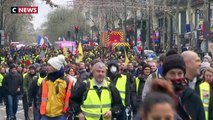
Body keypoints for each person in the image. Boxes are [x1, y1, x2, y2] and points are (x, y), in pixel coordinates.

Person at [162, 54, 205, 120]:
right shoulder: (155, 98)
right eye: (172, 73)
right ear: (165, 76)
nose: (176, 77)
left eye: (180, 73)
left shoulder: (193, 98)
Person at [39, 55, 74, 120]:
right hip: (45, 115)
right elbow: (39, 96)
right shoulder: (45, 81)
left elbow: (71, 99)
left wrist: (68, 112)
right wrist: (39, 109)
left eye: (49, 65)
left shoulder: (67, 81)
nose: (47, 67)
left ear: (56, 67)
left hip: (61, 115)